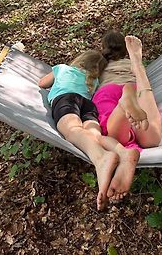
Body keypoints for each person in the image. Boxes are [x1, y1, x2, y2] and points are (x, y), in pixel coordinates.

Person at [38, 49, 132, 211]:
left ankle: (102, 158)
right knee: (95, 136)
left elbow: (42, 83)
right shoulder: (93, 81)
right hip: (88, 105)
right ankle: (123, 152)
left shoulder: (62, 68)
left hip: (66, 99)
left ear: (79, 60)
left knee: (73, 130)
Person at [93, 32, 162, 202]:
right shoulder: (126, 62)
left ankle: (122, 106)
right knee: (152, 140)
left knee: (115, 137)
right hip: (135, 87)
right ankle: (138, 66)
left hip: (107, 92)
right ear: (125, 51)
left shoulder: (101, 65)